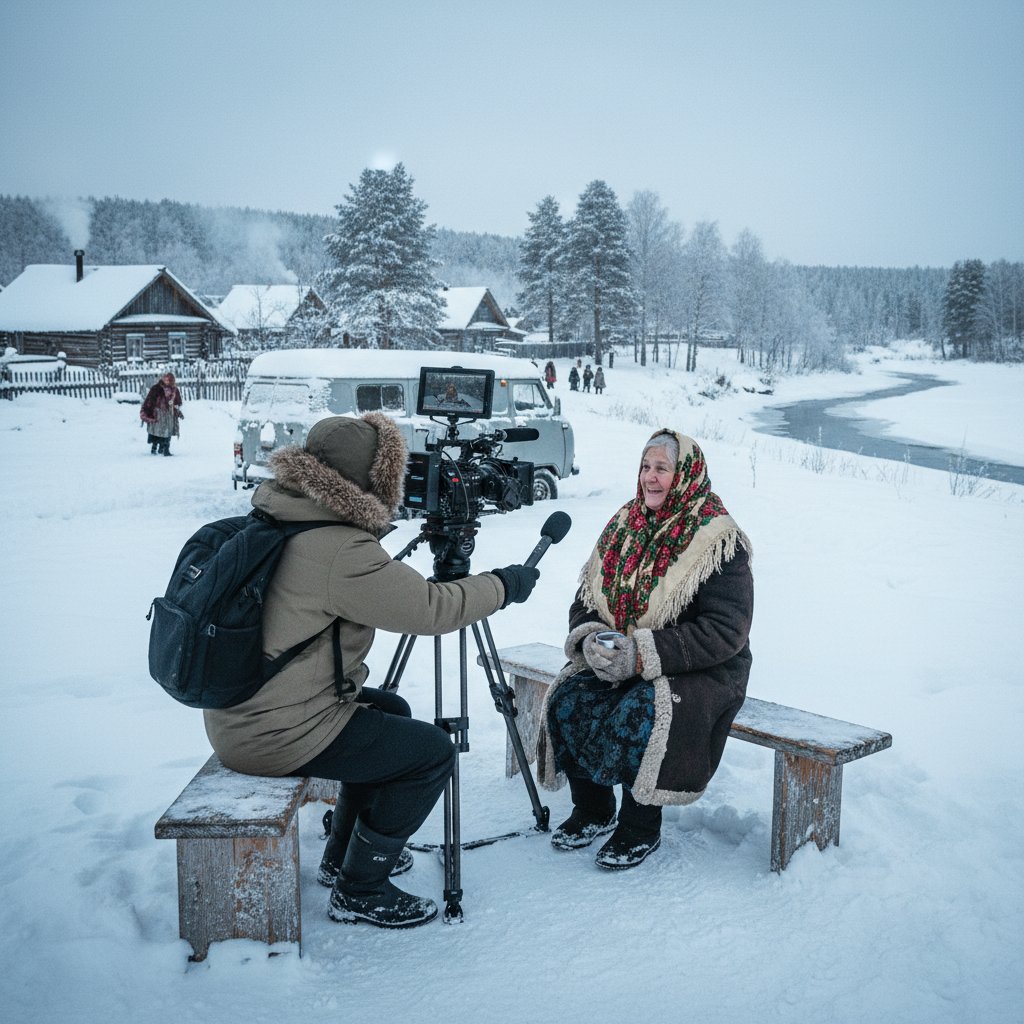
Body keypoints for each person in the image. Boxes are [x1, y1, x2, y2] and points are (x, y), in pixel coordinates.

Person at [203, 412, 539, 928]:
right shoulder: (339, 549)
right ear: (371, 479)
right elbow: (430, 610)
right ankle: (361, 887)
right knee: (431, 754)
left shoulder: (281, 515)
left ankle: (343, 855)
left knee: (390, 709)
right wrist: (501, 586)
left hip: (243, 714)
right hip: (272, 734)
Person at [537, 429, 753, 870]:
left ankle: (640, 827)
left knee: (643, 710)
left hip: (697, 668)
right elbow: (586, 596)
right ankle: (594, 810)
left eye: (662, 469)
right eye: (645, 466)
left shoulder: (717, 539)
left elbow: (725, 630)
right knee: (570, 698)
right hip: (624, 656)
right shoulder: (625, 523)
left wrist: (642, 655)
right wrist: (592, 638)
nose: (650, 478)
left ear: (686, 474)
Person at [140, 371, 183, 456]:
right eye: (165, 379)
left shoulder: (174, 389)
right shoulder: (156, 388)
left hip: (169, 414)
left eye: (169, 380)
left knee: (168, 432)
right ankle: (154, 448)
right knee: (158, 432)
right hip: (158, 413)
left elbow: (177, 402)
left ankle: (165, 450)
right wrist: (148, 410)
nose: (167, 381)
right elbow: (150, 400)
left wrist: (177, 410)